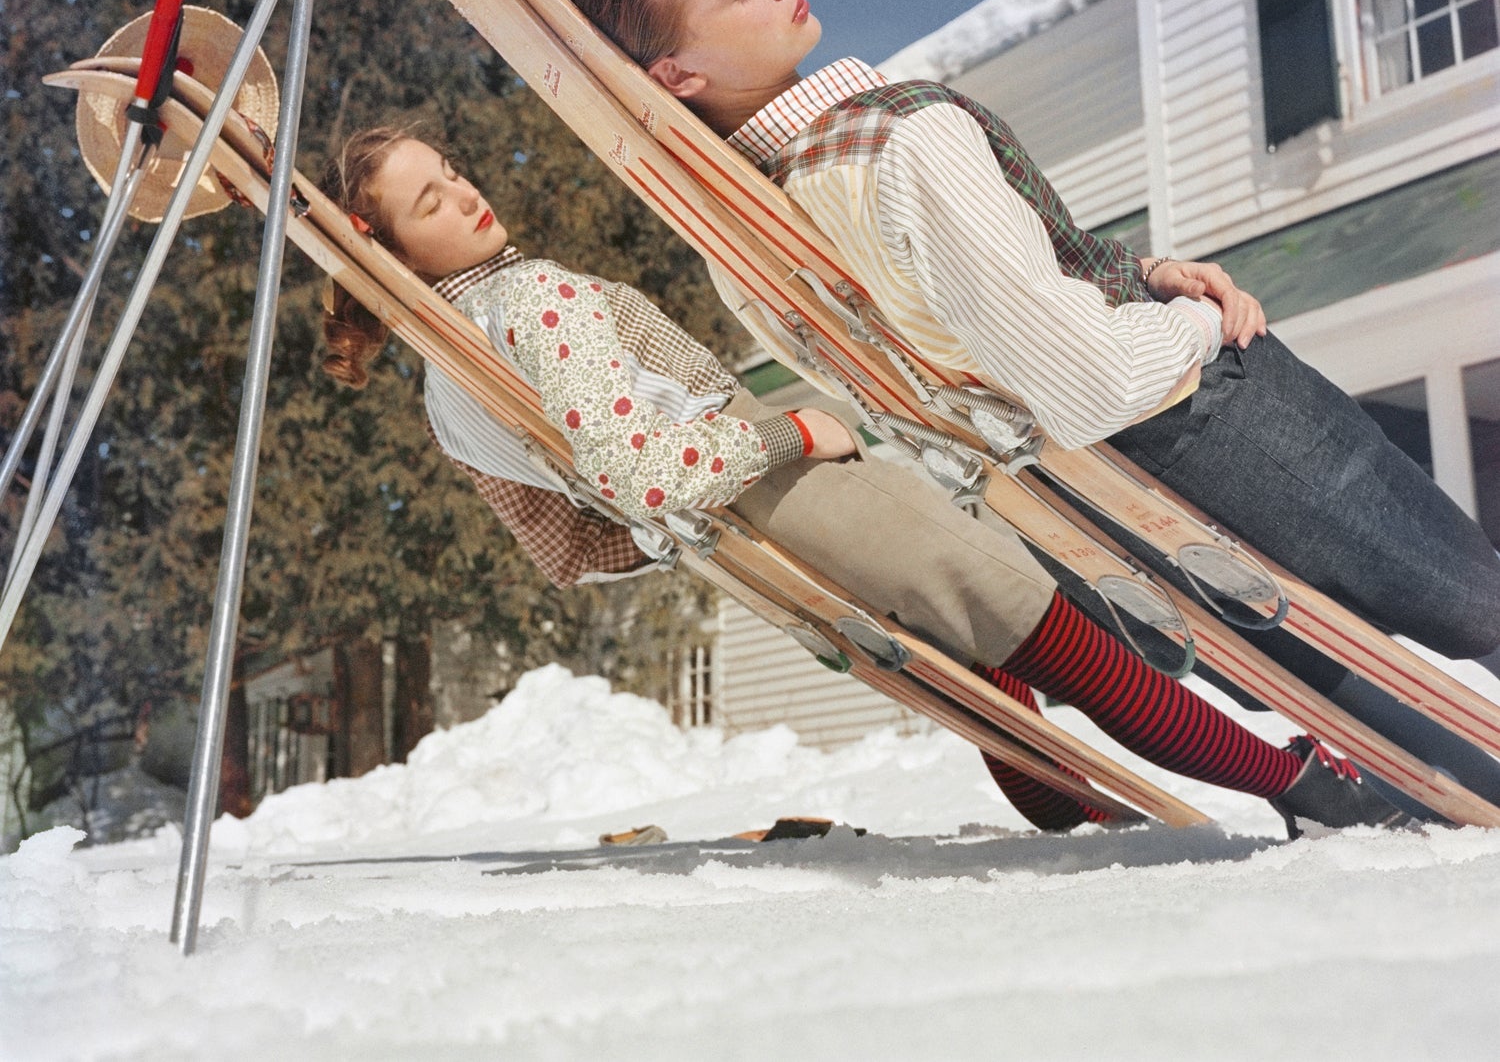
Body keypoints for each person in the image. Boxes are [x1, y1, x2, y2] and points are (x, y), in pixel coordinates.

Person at [539, 0, 1500, 806]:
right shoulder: (900, 145)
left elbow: (967, 334)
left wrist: (1140, 273)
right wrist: (1203, 324)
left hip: (1080, 506)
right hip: (1197, 418)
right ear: (676, 76)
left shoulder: (744, 243)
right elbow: (1094, 377)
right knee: (1463, 598)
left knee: (1341, 694)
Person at [317, 126, 1402, 837]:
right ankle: (1301, 786)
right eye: (427, 199)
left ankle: (1071, 813)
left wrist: (670, 534)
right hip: (779, 481)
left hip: (741, 535)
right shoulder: (533, 302)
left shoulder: (444, 387)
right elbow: (642, 470)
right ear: (390, 246)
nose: (462, 193)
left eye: (452, 169)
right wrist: (790, 433)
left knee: (980, 663)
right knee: (1052, 633)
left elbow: (563, 545)